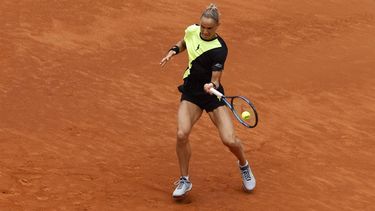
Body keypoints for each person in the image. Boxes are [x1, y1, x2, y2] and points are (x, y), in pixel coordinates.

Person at [160, 3, 256, 199]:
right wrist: (173, 50)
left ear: (218, 26)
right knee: (181, 134)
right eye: (203, 27)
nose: (204, 31)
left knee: (229, 140)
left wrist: (211, 86)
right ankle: (184, 179)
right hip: (191, 93)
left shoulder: (220, 49)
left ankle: (244, 165)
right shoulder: (192, 30)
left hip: (212, 96)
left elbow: (216, 78)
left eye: (209, 28)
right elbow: (185, 41)